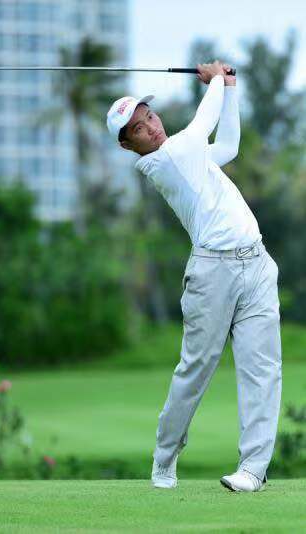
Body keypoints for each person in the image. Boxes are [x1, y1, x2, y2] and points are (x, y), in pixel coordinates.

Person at [106, 60, 282, 492]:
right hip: (212, 273)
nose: (151, 127)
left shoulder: (188, 153)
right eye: (138, 128)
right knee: (196, 369)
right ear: (128, 145)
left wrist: (231, 88)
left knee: (262, 369)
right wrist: (217, 78)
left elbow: (230, 145)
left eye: (150, 117)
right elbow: (204, 121)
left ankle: (253, 469)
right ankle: (164, 459)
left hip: (257, 263)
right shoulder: (166, 160)